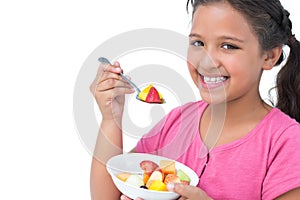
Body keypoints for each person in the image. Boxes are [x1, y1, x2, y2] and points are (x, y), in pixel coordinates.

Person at [90, 0, 300, 199]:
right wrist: (111, 118)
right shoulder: (176, 122)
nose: (206, 62)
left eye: (228, 46)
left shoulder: (287, 142)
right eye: (198, 43)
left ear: (269, 56)